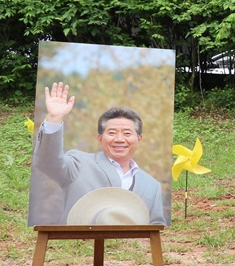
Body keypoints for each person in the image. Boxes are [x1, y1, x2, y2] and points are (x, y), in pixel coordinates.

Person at [33, 82, 165, 225]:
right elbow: (47, 162)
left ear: (139, 140)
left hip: (131, 247)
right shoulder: (78, 163)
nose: (119, 139)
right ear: (100, 138)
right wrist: (54, 118)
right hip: (77, 244)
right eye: (112, 133)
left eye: (127, 133)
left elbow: (156, 227)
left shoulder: (152, 185)